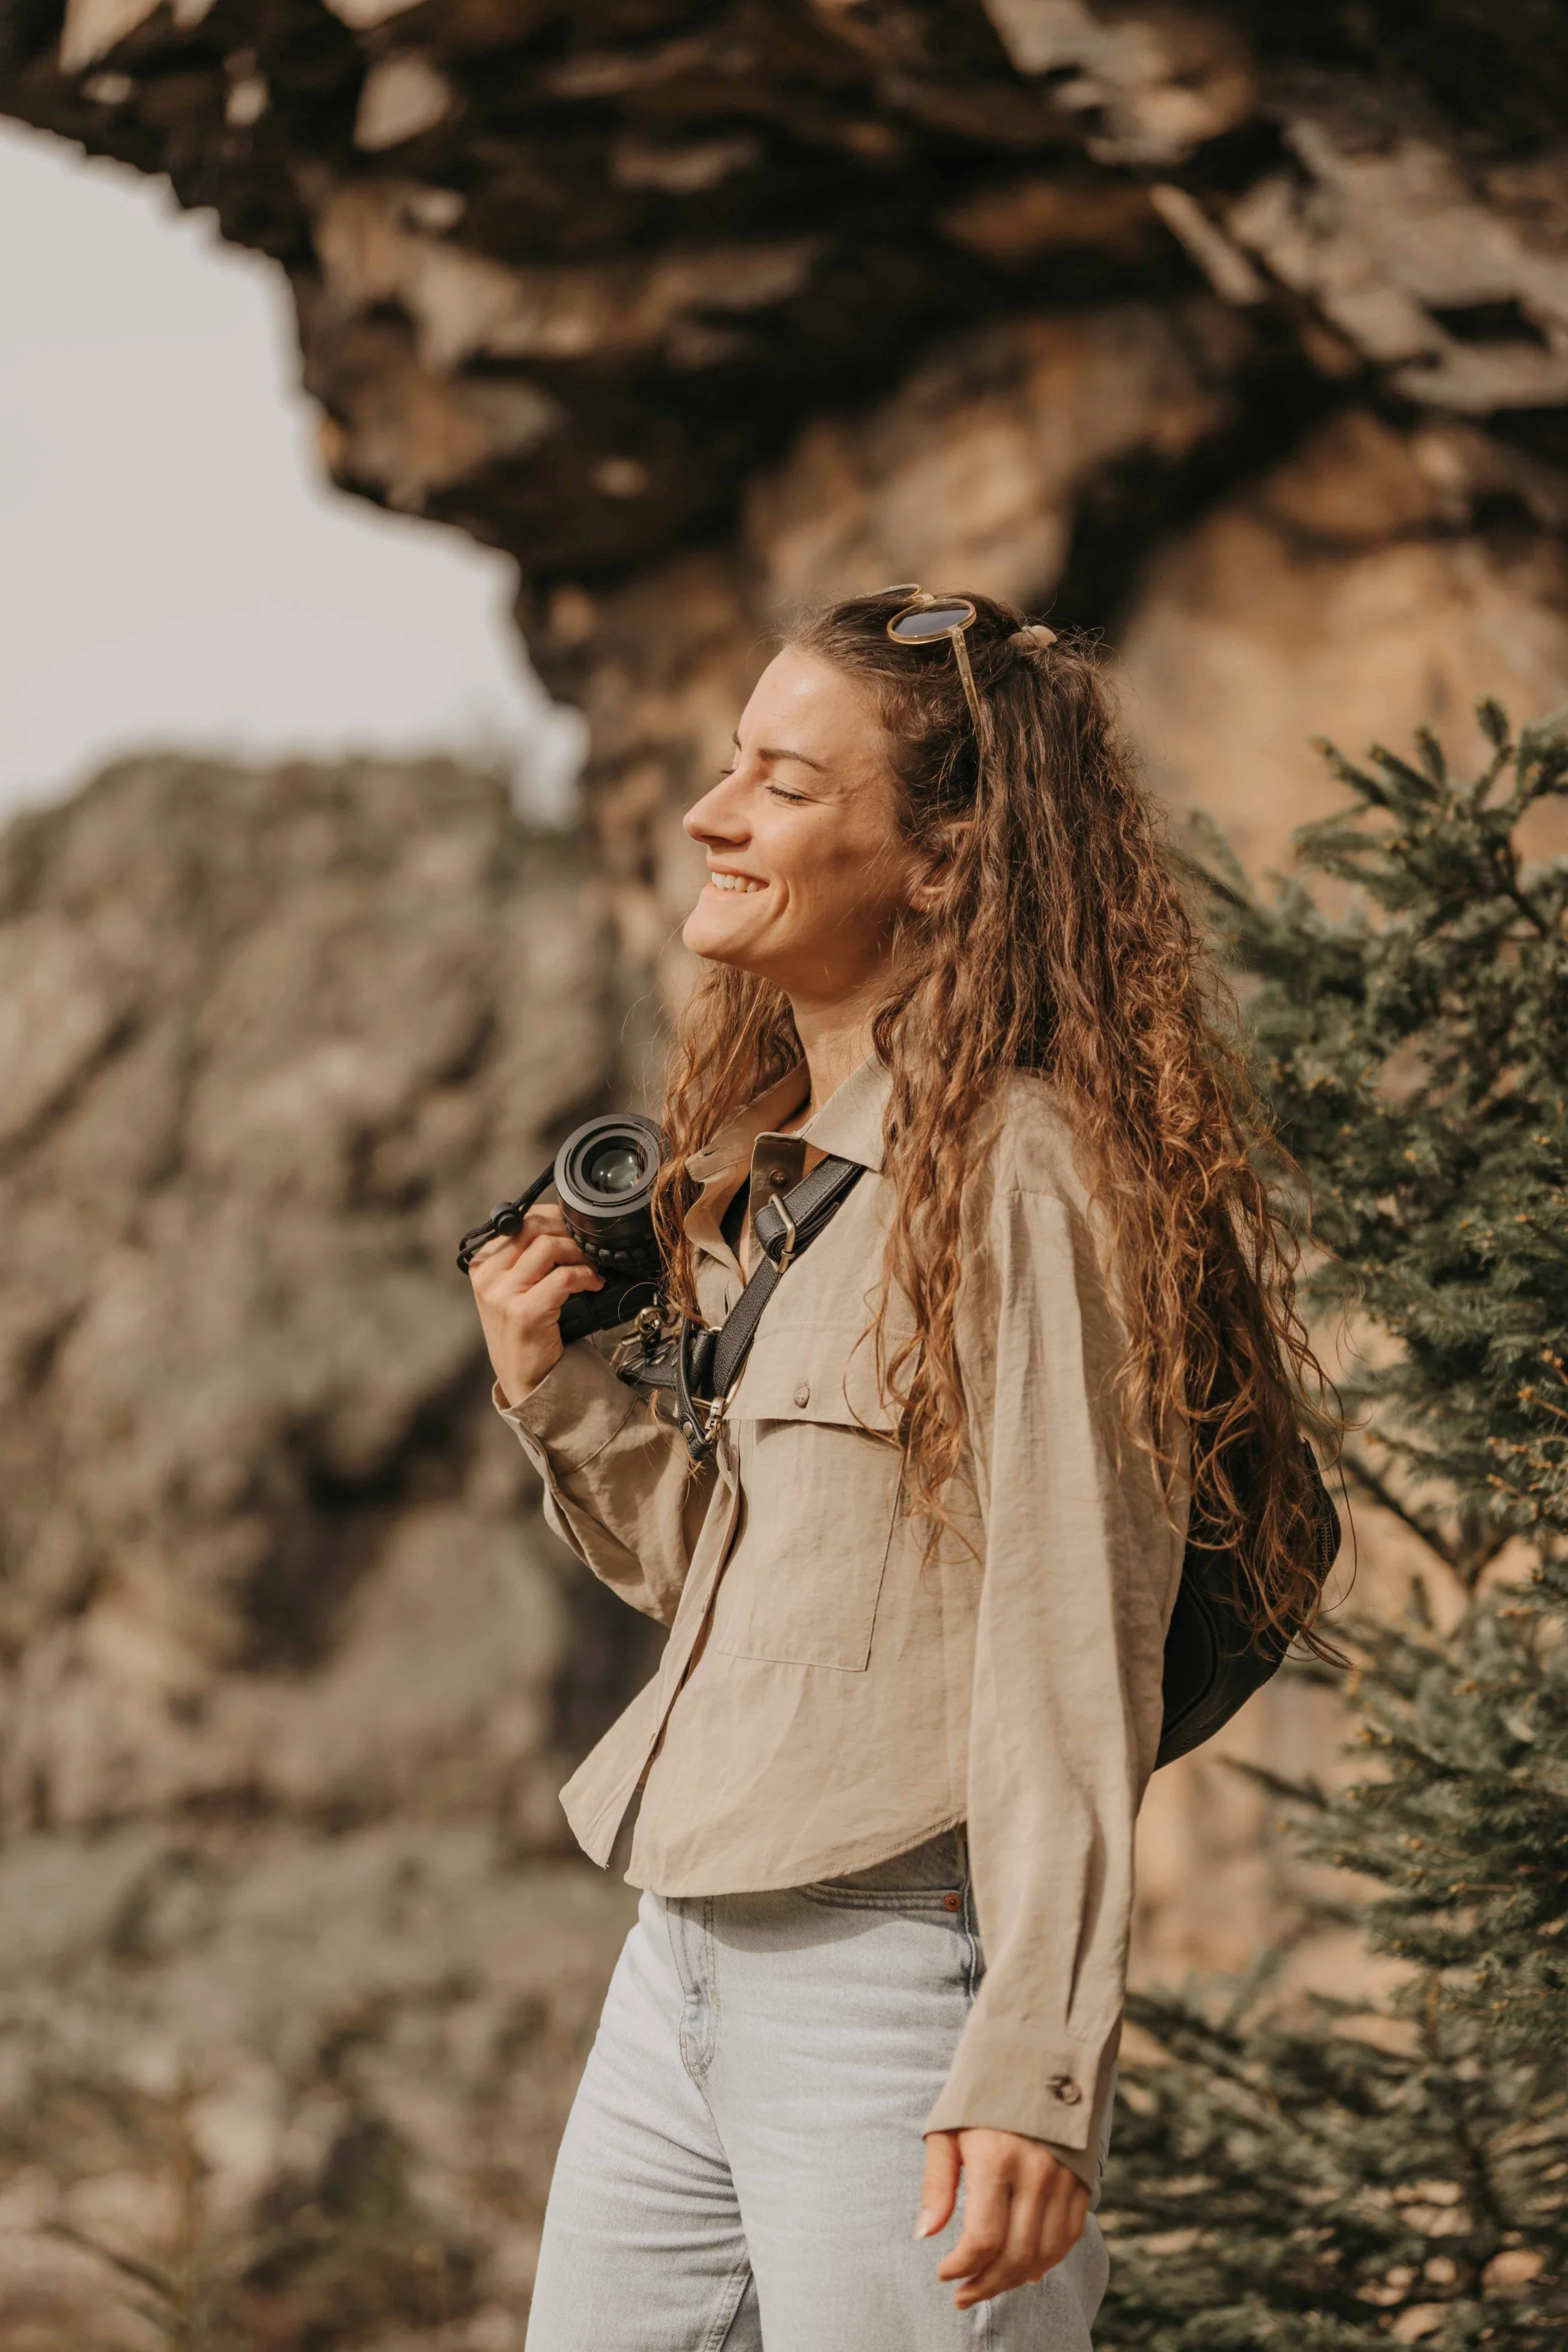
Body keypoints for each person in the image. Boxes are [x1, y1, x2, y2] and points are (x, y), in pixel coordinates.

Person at [467, 586, 1330, 2351]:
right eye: (728, 766)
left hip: (894, 1961)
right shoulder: (789, 1170)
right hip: (686, 1943)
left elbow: (1070, 1630)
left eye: (780, 785)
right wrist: (560, 1397)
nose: (712, 815)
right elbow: (746, 1583)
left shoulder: (1025, 1170)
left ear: (940, 861)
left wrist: (1032, 2061)